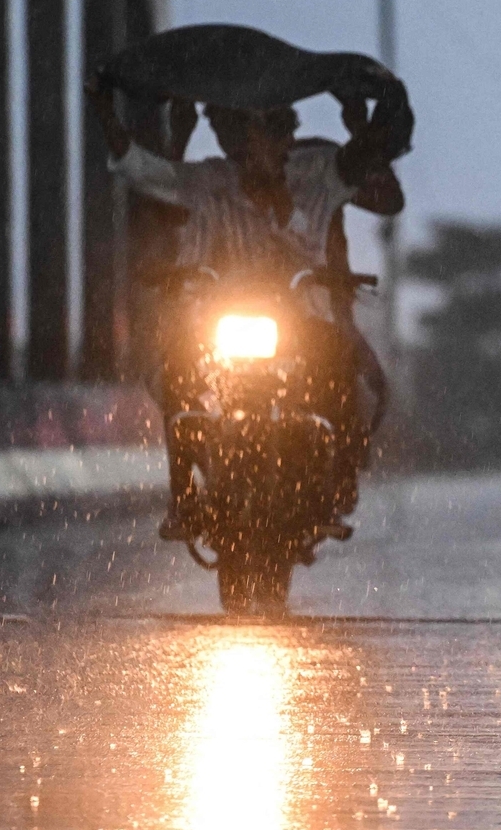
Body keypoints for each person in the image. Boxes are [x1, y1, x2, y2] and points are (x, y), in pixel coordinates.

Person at [86, 79, 402, 540]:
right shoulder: (212, 181)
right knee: (173, 370)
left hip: (306, 320)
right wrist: (105, 112)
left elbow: (369, 160)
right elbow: (141, 169)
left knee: (349, 375)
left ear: (283, 136)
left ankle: (335, 482)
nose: (246, 153)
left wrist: (360, 111)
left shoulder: (318, 173)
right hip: (222, 323)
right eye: (235, 139)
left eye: (258, 138)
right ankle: (184, 496)